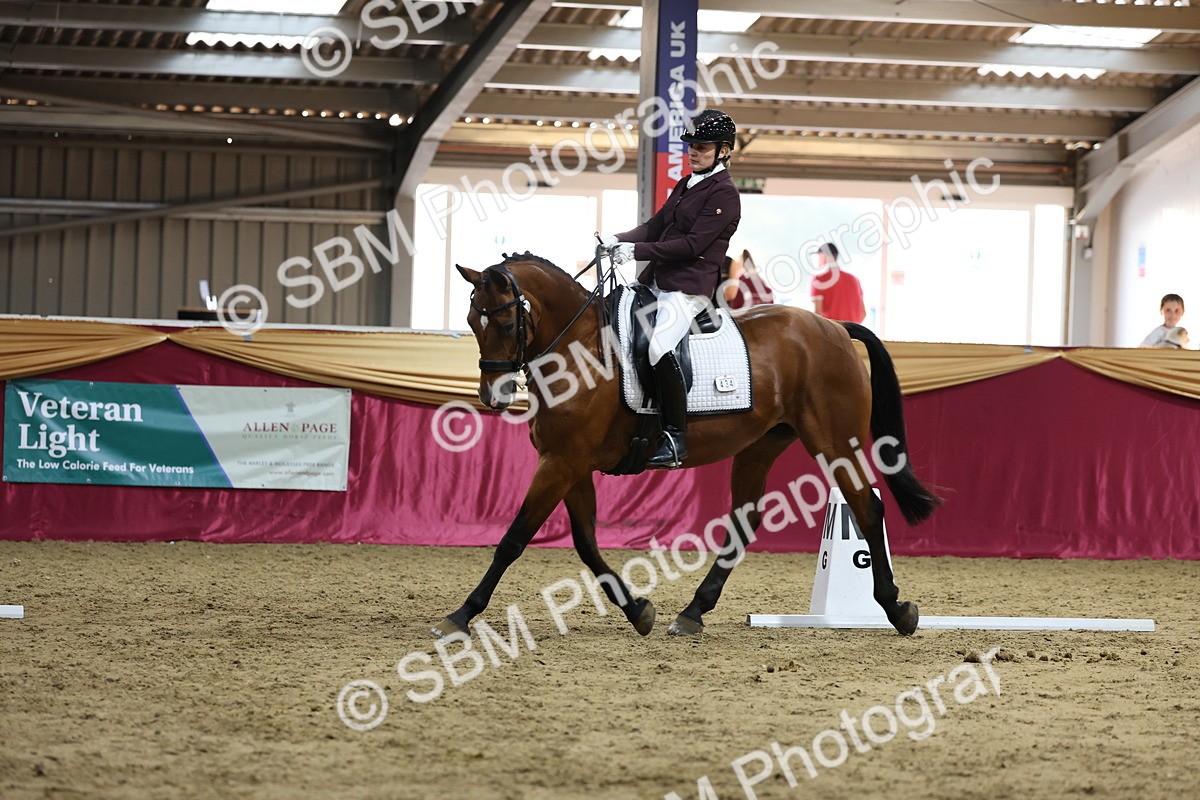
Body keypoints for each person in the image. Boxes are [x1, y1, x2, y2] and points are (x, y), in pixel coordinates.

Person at [601, 108, 742, 468]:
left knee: (658, 346)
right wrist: (617, 238)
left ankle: (676, 438)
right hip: (657, 282)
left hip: (688, 290)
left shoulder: (724, 194)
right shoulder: (688, 183)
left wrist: (636, 252)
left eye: (702, 146)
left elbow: (692, 246)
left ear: (723, 150)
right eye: (691, 146)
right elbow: (656, 226)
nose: (693, 152)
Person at [810, 243, 865, 324]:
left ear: (824, 256)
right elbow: (863, 314)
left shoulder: (819, 279)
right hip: (853, 333)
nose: (818, 260)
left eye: (818, 256)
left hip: (832, 334)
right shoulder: (854, 279)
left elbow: (817, 315)